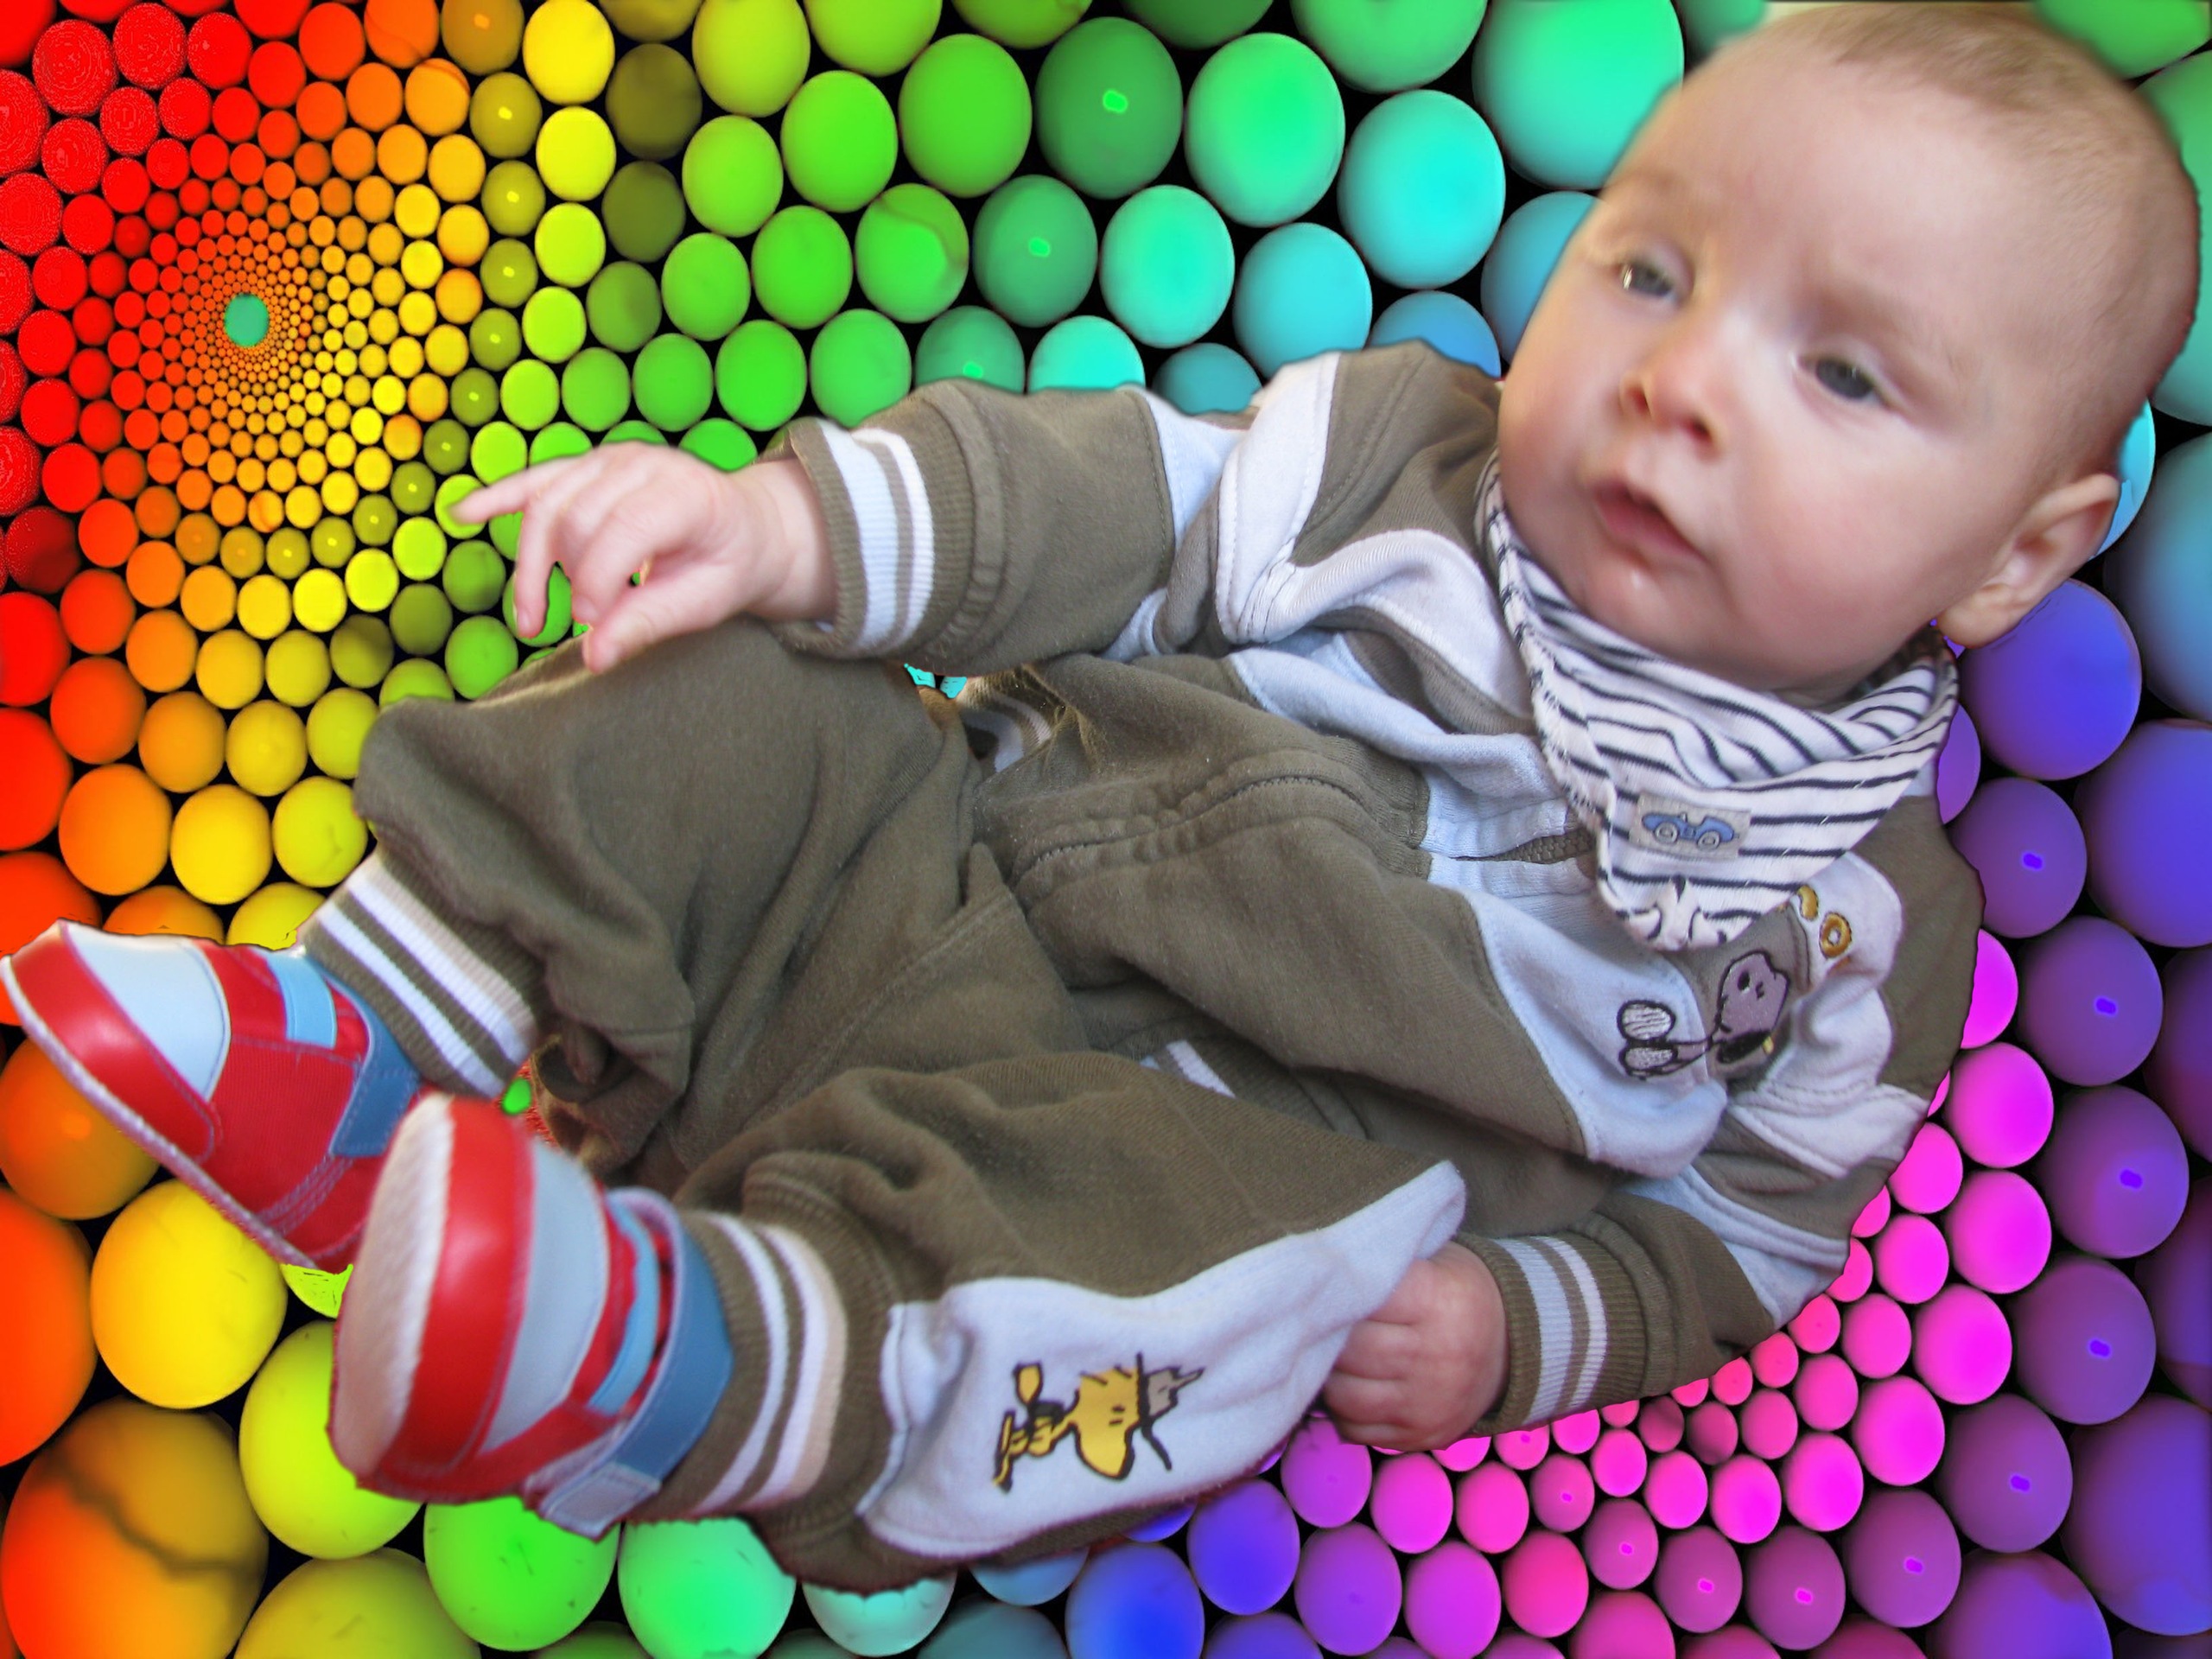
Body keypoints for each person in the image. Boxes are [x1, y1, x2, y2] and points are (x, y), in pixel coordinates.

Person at [4, 5, 2196, 1591]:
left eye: (1839, 372)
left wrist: (1521, 1332)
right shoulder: (1396, 464)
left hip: (1209, 1148)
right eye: (1647, 269)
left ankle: (667, 1356)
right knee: (735, 685)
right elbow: (1115, 496)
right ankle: (367, 1040)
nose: (1680, 380)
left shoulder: (1850, 932)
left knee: (1217, 1283)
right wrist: (781, 527)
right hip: (939, 852)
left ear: (2016, 551)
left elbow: (1746, 1239)